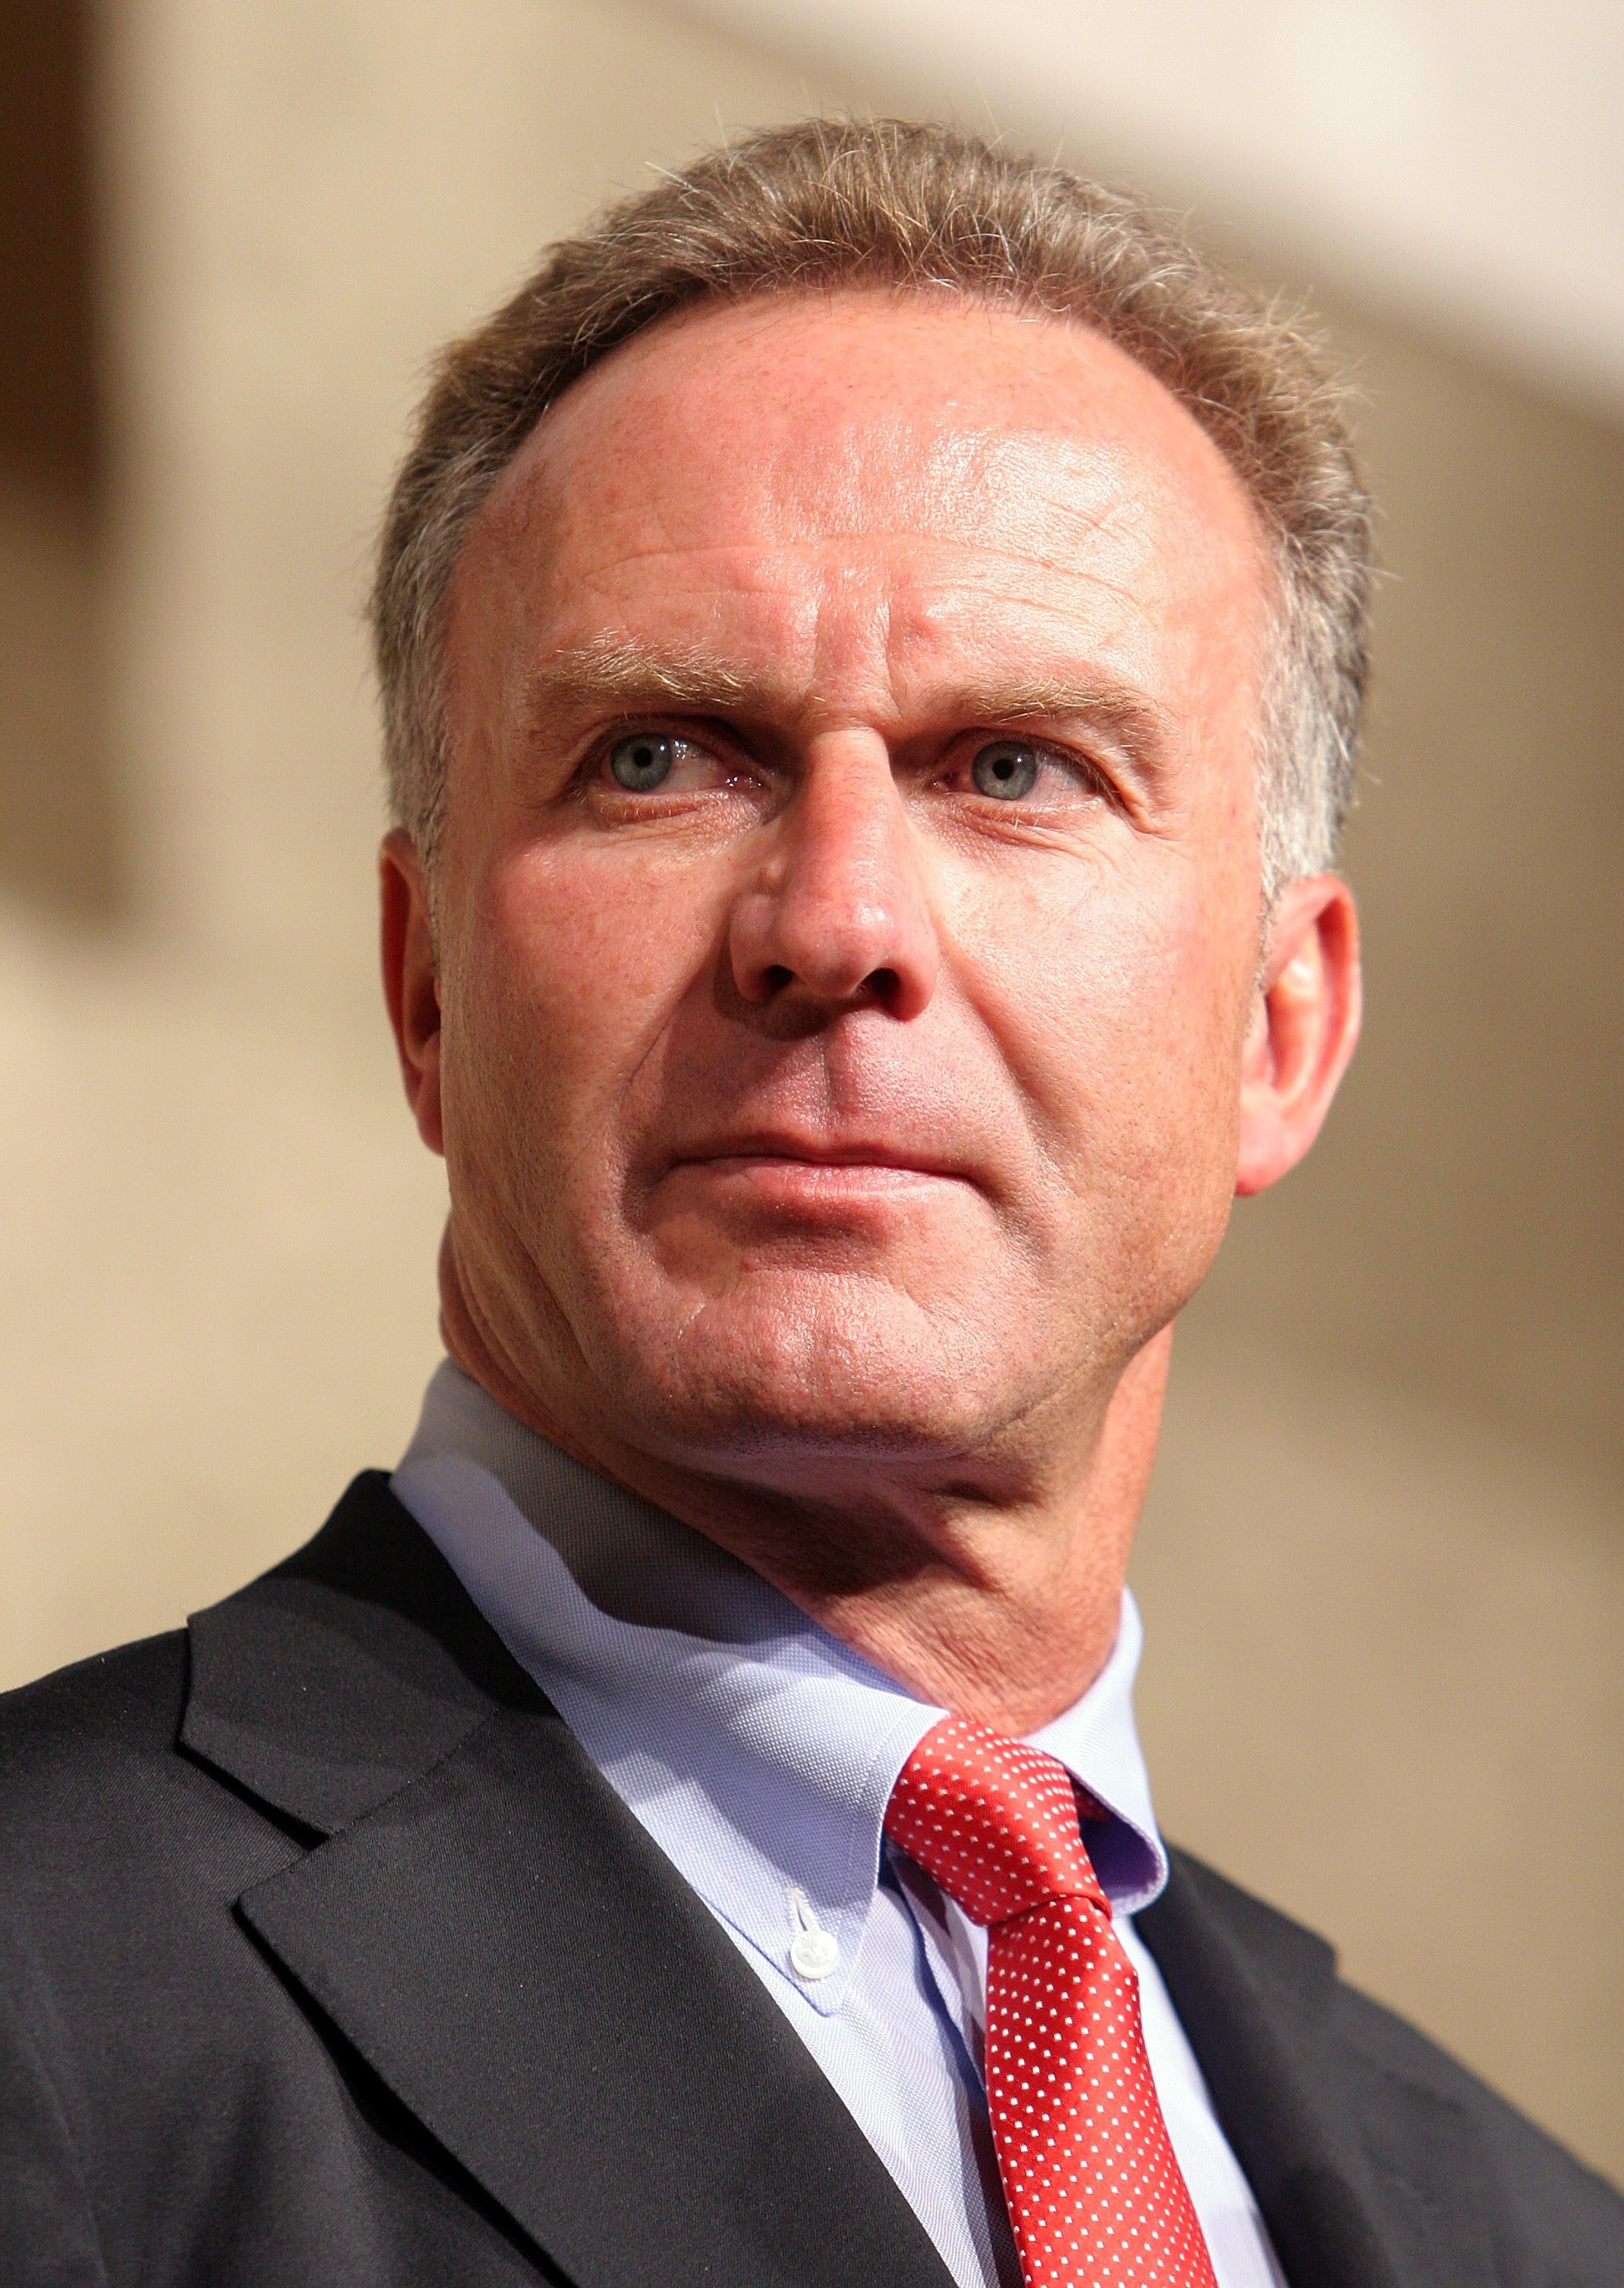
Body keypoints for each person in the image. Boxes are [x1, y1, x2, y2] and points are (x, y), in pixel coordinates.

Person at [1, 117, 1618, 2288]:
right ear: (422, 992)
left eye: (1015, 767)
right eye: (663, 756)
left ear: (1281, 1027)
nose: (833, 919)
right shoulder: (47, 1991)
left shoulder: (1535, 2237)